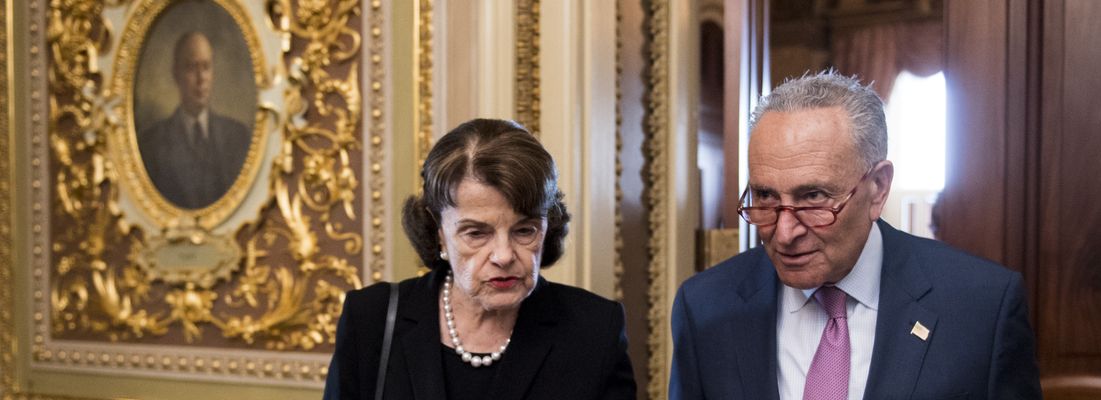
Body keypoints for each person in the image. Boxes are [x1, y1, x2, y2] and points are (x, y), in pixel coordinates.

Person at [669, 71, 1041, 399]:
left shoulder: (982, 307)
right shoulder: (705, 308)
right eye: (766, 196)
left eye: (813, 197)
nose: (783, 233)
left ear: (878, 188)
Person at [324, 119, 637, 400]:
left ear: (548, 226)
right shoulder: (370, 319)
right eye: (476, 234)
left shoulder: (595, 329)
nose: (503, 255)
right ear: (438, 233)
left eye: (524, 230)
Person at [138, 31, 251, 209]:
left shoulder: (238, 137)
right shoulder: (151, 144)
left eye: (206, 67)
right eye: (191, 68)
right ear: (176, 74)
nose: (201, 79)